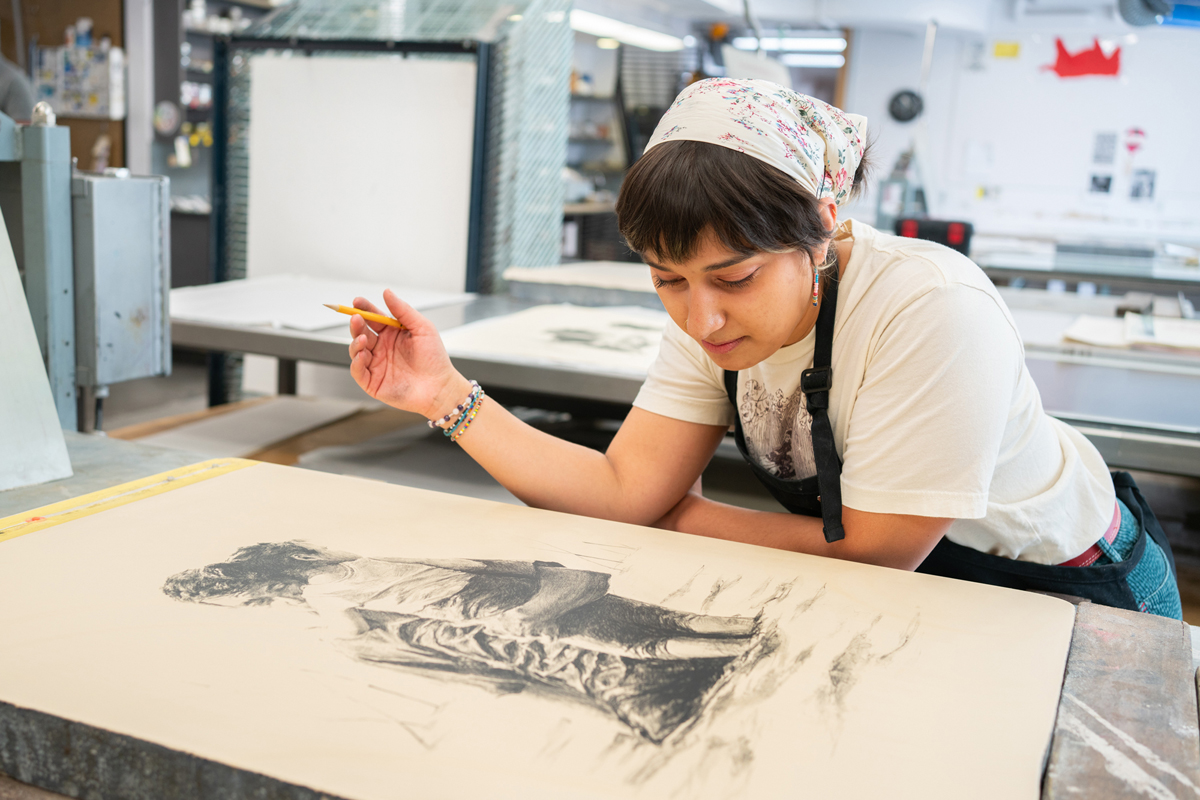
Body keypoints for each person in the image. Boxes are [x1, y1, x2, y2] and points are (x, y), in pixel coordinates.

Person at [345, 78, 1181, 619]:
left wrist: (685, 517)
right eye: (667, 279)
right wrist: (441, 393)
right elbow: (624, 489)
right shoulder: (710, 318)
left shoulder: (929, 307)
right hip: (931, 595)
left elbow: (881, 550)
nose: (702, 318)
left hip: (1067, 587)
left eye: (735, 276)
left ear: (820, 227)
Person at [163, 541, 765, 743]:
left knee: (621, 643)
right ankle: (744, 634)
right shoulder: (349, 562)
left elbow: (355, 632)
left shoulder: (321, 595)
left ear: (260, 587)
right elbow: (445, 564)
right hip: (484, 590)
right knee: (639, 623)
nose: (260, 607)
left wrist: (330, 632)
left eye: (252, 601)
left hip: (481, 610)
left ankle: (739, 653)